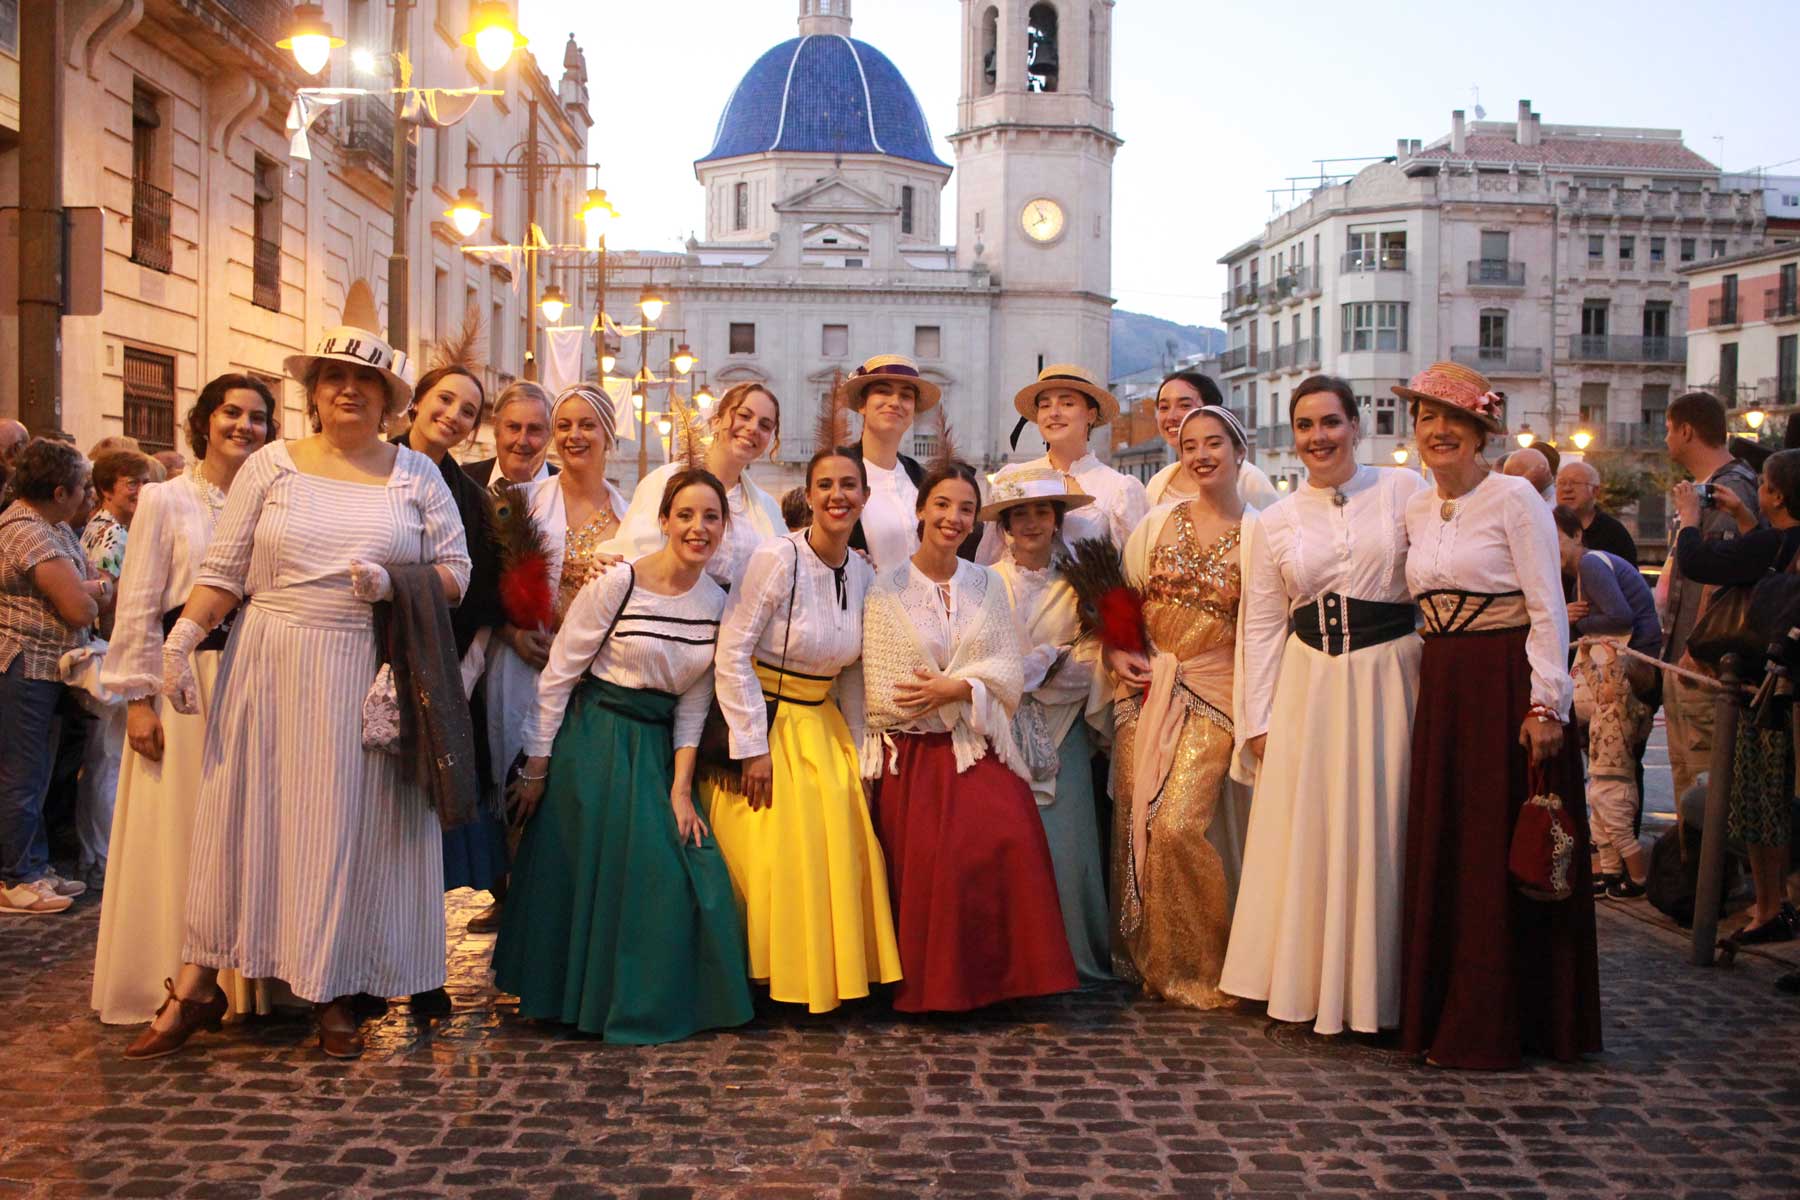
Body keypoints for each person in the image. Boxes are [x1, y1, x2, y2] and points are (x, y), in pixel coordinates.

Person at [124, 326, 472, 1061]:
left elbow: (456, 574)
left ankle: (333, 990)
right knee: (247, 821)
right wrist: (179, 644)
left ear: (389, 402)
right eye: (331, 377)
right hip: (271, 661)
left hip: (364, 670)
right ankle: (197, 981)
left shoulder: (418, 476)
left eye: (365, 382)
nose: (347, 389)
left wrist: (394, 584)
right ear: (313, 392)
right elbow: (223, 570)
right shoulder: (270, 468)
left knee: (344, 829)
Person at [492, 470, 753, 1043]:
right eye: (685, 514)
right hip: (596, 740)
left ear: (723, 528)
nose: (697, 527)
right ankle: (571, 999)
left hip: (657, 748)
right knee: (592, 874)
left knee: (685, 869)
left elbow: (693, 701)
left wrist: (682, 791)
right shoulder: (619, 585)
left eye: (711, 517)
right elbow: (560, 674)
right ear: (663, 521)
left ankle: (655, 999)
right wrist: (537, 764)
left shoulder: (717, 604)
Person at [1394, 362, 1599, 1070]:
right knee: (1452, 843)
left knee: (1496, 845)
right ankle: (1443, 1009)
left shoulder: (1514, 498)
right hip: (1443, 684)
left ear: (1482, 432)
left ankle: (1506, 1022)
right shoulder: (1418, 507)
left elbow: (1547, 605)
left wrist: (1547, 702)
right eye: (1426, 418)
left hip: (1504, 686)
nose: (1439, 431)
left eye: (1455, 420)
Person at [1221, 375, 1427, 1035]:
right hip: (1309, 685)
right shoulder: (1274, 522)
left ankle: (1381, 987)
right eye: (1306, 426)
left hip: (1390, 678)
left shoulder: (1403, 492)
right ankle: (1308, 981)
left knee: (1385, 821)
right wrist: (1257, 720)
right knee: (1312, 829)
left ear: (1356, 425)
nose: (1319, 438)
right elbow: (1259, 624)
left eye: (1331, 422)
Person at [91, 375, 279, 1021]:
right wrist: (139, 699)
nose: (244, 426)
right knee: (185, 830)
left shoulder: (275, 500)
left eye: (257, 417)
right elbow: (139, 604)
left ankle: (253, 980)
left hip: (257, 681)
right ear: (204, 420)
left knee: (250, 834)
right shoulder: (165, 501)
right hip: (187, 683)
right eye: (232, 412)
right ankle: (172, 977)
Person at [861, 457, 1077, 1012]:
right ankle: (939, 986)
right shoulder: (885, 589)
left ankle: (1005, 980)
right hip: (916, 751)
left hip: (977, 737)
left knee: (1011, 832)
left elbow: (1004, 670)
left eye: (964, 508)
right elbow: (884, 688)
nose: (953, 518)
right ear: (920, 510)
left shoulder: (986, 585)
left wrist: (957, 690)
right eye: (942, 505)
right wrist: (936, 698)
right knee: (940, 857)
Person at [701, 445, 902, 1012]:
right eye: (826, 485)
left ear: (863, 497)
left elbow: (857, 673)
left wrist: (865, 752)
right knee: (775, 849)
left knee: (840, 835)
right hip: (767, 720)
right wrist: (751, 747)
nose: (838, 496)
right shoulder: (776, 558)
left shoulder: (863, 573)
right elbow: (733, 650)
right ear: (809, 495)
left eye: (849, 485)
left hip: (824, 723)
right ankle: (768, 974)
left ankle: (832, 971)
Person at [1104, 407, 1251, 1009]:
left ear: (1240, 451)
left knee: (1176, 824)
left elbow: (1262, 628)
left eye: (1214, 442)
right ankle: (1140, 956)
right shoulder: (1158, 523)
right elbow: (1123, 601)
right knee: (1132, 818)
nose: (1201, 454)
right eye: (1190, 445)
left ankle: (1199, 964)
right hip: (1146, 689)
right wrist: (1118, 653)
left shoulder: (1263, 533)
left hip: (1215, 694)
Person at [476, 384, 631, 938]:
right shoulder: (523, 506)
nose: (573, 436)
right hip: (525, 670)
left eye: (587, 425)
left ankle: (579, 923)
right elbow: (486, 588)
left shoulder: (631, 517)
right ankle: (526, 924)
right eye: (563, 425)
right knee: (522, 794)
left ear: (609, 435)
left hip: (597, 682)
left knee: (578, 801)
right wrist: (514, 630)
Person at [396, 357, 506, 1011]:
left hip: (435, 672)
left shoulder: (468, 497)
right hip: (356, 660)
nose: (455, 416)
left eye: (468, 410)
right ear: (416, 402)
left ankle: (420, 970)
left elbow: (482, 594)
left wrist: (457, 676)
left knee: (420, 830)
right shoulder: (373, 466)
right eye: (445, 400)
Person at [985, 468, 1112, 984]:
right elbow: (981, 657)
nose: (1032, 523)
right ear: (1007, 525)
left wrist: (1041, 669)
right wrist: (1032, 668)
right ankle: (1015, 959)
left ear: (1057, 521)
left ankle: (1069, 955)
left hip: (1065, 730)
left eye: (1041, 512)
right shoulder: (986, 581)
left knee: (1067, 846)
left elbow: (1093, 661)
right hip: (1000, 729)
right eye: (1021, 514)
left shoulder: (1082, 583)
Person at [1670, 454, 1800, 946]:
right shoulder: (1777, 540)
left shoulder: (1772, 540)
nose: (1758, 491)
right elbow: (1765, 553)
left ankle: (1770, 908)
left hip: (1762, 693)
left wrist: (1689, 519)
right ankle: (1773, 906)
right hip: (1776, 685)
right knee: (1767, 804)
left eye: (1764, 485)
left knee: (1759, 805)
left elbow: (1698, 563)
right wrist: (1746, 520)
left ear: (1779, 496)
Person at [0, 439, 105, 914]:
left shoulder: (54, 526)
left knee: (41, 774)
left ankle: (36, 867)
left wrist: (90, 587)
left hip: (52, 668)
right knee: (21, 776)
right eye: (84, 487)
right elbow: (79, 603)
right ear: (60, 490)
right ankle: (15, 876)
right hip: (25, 665)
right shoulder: (28, 532)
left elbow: (84, 583)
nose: (89, 496)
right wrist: (96, 589)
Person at [1552, 505, 1660, 900]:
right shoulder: (1585, 571)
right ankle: (1612, 870)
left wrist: (1575, 621)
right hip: (1618, 676)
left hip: (1624, 678)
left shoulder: (1593, 566)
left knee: (1610, 779)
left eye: (1556, 539)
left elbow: (1619, 618)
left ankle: (1632, 874)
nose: (1551, 549)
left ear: (1576, 535)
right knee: (1602, 780)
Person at [1661, 391, 1760, 799]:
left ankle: (1704, 865)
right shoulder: (1706, 489)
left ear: (1686, 430)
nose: (1665, 439)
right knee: (1688, 780)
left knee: (1703, 791)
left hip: (1702, 666)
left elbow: (1721, 576)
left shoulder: (1727, 490)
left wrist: (1696, 649)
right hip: (1685, 660)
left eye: (1668, 429)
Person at [69, 448, 155, 892]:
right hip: (111, 654)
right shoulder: (112, 535)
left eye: (144, 481)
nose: (141, 490)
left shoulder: (114, 528)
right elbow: (113, 605)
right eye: (131, 482)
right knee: (108, 759)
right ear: (105, 489)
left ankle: (99, 852)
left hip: (111, 652)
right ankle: (100, 854)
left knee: (107, 758)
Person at [609, 383, 784, 586]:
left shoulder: (766, 507)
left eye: (764, 425)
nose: (753, 428)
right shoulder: (665, 481)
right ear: (716, 422)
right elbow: (630, 555)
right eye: (744, 415)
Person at [978, 365, 1148, 561]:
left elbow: (1133, 572)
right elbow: (989, 562)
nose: (1054, 413)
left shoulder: (1118, 488)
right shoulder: (1012, 477)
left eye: (1067, 404)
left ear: (1091, 415)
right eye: (1045, 405)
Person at [840, 354, 939, 570]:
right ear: (862, 405)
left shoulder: (923, 480)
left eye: (905, 396)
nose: (895, 402)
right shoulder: (838, 472)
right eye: (883, 392)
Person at [1142, 370, 1281, 511]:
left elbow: (1273, 527)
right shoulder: (1158, 483)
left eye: (1184, 405)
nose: (1171, 416)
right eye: (1164, 408)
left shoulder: (1248, 479)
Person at [464, 381, 558, 487]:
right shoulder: (461, 482)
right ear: (496, 426)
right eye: (514, 427)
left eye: (534, 429)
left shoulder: (571, 492)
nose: (522, 441)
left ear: (550, 433)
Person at [1556, 461, 1637, 565]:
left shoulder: (1613, 533)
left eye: (1575, 482)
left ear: (1595, 491)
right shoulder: (1547, 526)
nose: (1567, 489)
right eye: (1561, 483)